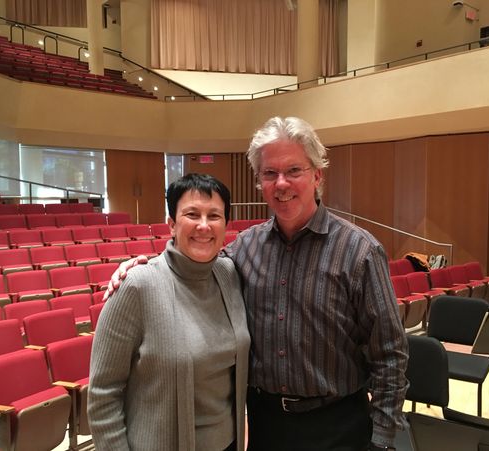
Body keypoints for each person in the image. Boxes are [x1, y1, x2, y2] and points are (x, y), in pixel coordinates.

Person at [107, 117, 408, 451]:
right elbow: (194, 257)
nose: (281, 183)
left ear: (317, 176)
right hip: (265, 425)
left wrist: (382, 440)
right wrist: (146, 265)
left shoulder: (360, 250)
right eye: (269, 173)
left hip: (338, 425)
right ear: (259, 181)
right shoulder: (244, 248)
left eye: (294, 170)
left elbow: (391, 355)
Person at [88, 173, 250, 451]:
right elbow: (104, 395)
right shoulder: (137, 286)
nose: (203, 225)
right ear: (172, 225)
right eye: (192, 214)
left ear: (226, 225)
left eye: (214, 216)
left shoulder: (229, 274)